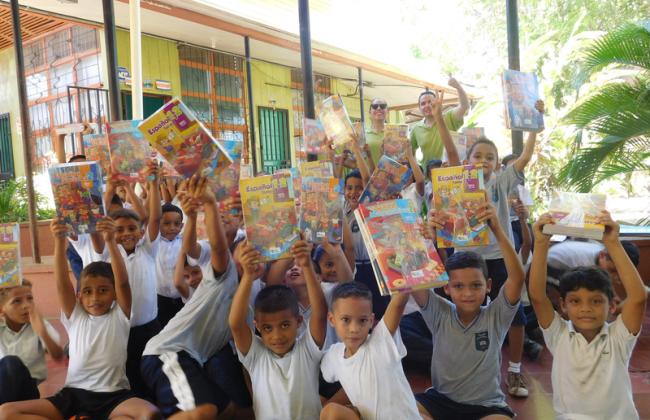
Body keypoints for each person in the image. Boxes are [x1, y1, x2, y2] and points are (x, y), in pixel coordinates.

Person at [0, 218, 160, 419]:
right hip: (73, 394)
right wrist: (59, 241)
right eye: (87, 291)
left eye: (103, 290)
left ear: (114, 295)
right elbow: (62, 283)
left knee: (149, 413)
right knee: (6, 412)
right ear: (79, 296)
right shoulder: (75, 316)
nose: (95, 297)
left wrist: (111, 242)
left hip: (113, 395)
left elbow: (124, 283)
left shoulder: (120, 315)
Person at [141, 175, 248, 417]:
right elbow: (217, 248)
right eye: (244, 251)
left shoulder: (248, 293)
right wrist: (208, 205)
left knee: (233, 412)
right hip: (168, 353)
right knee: (204, 411)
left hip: (191, 360)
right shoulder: (223, 270)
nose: (249, 254)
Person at [461, 100, 544, 397]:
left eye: (490, 157)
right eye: (477, 156)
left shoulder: (502, 181)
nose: (483, 160)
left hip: (500, 259)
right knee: (469, 316)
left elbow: (524, 157)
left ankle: (515, 372)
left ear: (497, 163)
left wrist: (534, 124)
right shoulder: (455, 185)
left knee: (514, 315)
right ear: (467, 160)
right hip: (469, 261)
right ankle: (476, 371)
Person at [528, 212, 646, 419]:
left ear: (612, 306)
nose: (586, 308)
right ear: (563, 305)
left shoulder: (618, 338)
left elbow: (638, 298)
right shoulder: (560, 335)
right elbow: (538, 297)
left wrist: (613, 243)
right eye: (576, 301)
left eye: (596, 301)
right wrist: (540, 244)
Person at [413, 203, 525, 420]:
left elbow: (517, 278)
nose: (468, 293)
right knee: (406, 412)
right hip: (441, 401)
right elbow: (414, 277)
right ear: (446, 288)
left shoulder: (496, 316)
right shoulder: (439, 312)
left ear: (489, 285)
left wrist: (497, 229)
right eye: (458, 286)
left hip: (487, 407)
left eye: (476, 285)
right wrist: (427, 239)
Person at [229, 239, 327, 420]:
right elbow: (236, 323)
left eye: (284, 325)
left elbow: (320, 314)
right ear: (257, 326)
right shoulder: (256, 355)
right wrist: (248, 276)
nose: (277, 336)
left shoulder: (307, 350)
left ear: (298, 321)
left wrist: (306, 265)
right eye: (267, 328)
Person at [96, 160, 163, 399]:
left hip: (150, 327)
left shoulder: (148, 250)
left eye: (131, 228)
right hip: (120, 330)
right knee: (127, 376)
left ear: (141, 231)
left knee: (153, 372)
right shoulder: (108, 252)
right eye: (119, 229)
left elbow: (154, 218)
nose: (126, 233)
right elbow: (97, 224)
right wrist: (109, 191)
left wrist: (154, 183)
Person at [320, 282, 427, 420]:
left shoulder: (380, 342)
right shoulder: (333, 355)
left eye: (362, 320)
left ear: (371, 321)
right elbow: (322, 372)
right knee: (330, 412)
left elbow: (398, 304)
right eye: (346, 320)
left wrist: (402, 271)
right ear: (332, 320)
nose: (354, 329)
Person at [0, 280, 63, 403]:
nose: (26, 305)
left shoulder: (40, 325)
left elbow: (58, 355)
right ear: (2, 309)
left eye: (30, 298)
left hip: (28, 391)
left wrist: (42, 331)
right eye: (17, 301)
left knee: (11, 362)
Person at [410, 78, 469, 165]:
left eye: (430, 102)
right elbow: (411, 152)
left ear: (438, 102)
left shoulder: (449, 117)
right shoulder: (416, 128)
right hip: (429, 175)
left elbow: (464, 106)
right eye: (423, 103)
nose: (427, 105)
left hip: (450, 173)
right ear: (419, 108)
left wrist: (458, 87)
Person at [156, 203, 186, 327]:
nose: (172, 227)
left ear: (182, 225)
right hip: (159, 298)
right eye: (167, 223)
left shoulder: (184, 242)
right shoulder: (154, 244)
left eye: (176, 224)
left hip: (182, 297)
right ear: (157, 225)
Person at [365, 98, 389, 165]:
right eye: (375, 106)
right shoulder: (363, 135)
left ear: (387, 112)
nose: (378, 108)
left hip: (389, 174)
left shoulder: (394, 134)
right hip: (367, 175)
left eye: (383, 106)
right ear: (370, 112)